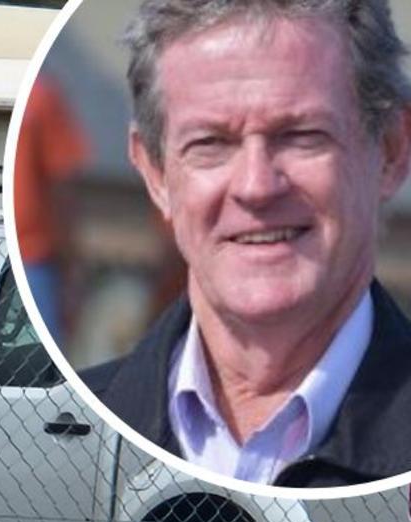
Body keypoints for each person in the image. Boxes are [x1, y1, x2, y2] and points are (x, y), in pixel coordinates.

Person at [82, 0, 411, 488]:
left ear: (388, 152)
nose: (256, 186)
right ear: (155, 173)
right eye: (211, 143)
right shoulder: (75, 428)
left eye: (301, 135)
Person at [13, 73, 88, 347]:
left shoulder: (37, 97)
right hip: (34, 258)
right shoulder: (41, 96)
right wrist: (72, 268)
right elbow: (63, 184)